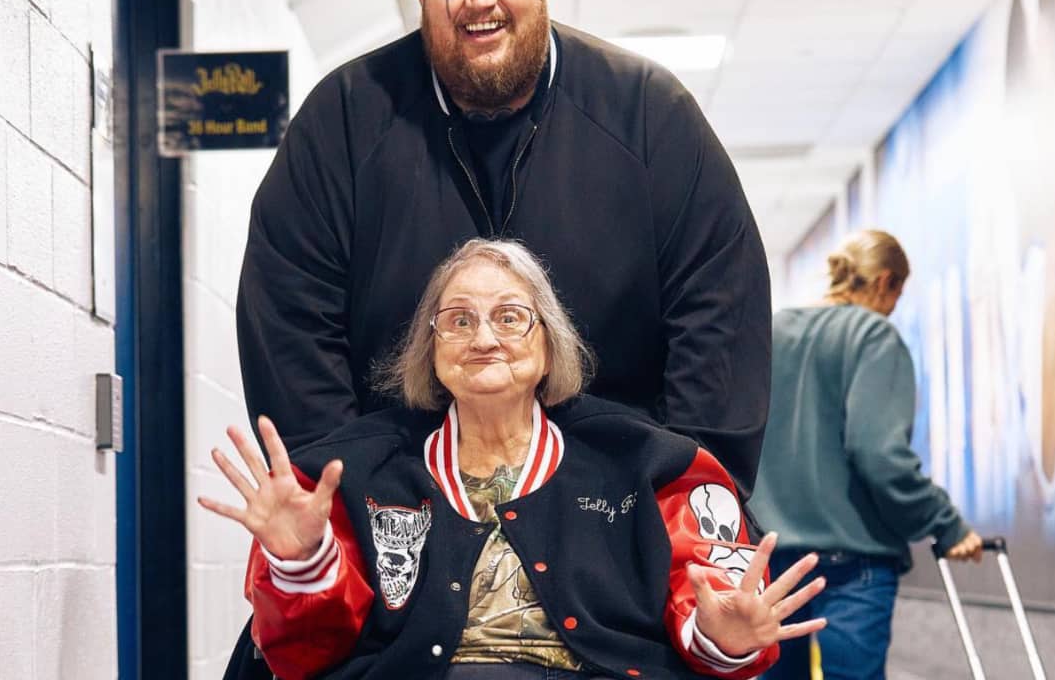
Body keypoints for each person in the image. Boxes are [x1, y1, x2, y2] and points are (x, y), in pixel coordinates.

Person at [235, 0, 771, 502]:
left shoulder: (649, 115)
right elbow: (291, 320)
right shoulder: (344, 122)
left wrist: (688, 495)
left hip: (615, 505)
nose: (479, 0)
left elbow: (719, 309)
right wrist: (347, 497)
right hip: (406, 506)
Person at [205, 239, 825, 680]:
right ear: (432, 351)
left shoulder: (649, 464)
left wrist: (722, 638)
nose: (483, 338)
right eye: (458, 320)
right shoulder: (349, 473)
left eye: (509, 317)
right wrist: (302, 561)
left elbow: (710, 609)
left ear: (551, 347)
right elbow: (303, 657)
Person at [748, 229, 983, 680]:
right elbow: (879, 455)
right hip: (851, 563)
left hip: (772, 560)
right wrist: (947, 524)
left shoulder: (773, 331)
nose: (895, 306)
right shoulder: (873, 336)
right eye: (897, 292)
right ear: (883, 283)